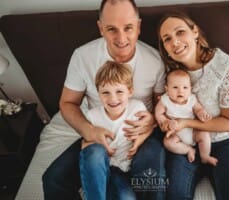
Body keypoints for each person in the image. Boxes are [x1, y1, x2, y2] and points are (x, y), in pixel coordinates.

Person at [42, 1, 166, 200]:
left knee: (149, 177)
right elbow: (67, 103)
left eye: (128, 28)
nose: (121, 38)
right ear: (101, 28)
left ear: (139, 26)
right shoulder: (83, 56)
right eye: (111, 29)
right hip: (100, 130)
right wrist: (88, 130)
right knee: (53, 179)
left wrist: (151, 121)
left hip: (141, 135)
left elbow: (163, 104)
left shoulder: (154, 60)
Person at [157, 11, 229, 200]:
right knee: (175, 195)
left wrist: (186, 122)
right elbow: (160, 106)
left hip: (226, 142)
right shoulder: (169, 72)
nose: (175, 42)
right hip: (185, 143)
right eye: (167, 39)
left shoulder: (226, 67)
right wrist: (163, 122)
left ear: (194, 32)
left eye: (180, 32)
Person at [80, 61, 148, 199]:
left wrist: (140, 139)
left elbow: (148, 128)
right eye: (105, 92)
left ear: (130, 91)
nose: (113, 98)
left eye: (119, 91)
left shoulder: (137, 109)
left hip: (124, 169)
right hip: (105, 167)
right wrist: (101, 149)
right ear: (98, 94)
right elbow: (86, 148)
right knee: (95, 153)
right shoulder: (93, 116)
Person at [155, 69, 217, 165]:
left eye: (185, 87)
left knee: (204, 134)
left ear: (190, 89)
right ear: (167, 89)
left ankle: (205, 156)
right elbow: (158, 113)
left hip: (192, 130)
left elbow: (198, 109)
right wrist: (166, 121)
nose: (180, 91)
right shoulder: (164, 100)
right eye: (175, 87)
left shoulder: (192, 99)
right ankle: (188, 149)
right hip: (175, 133)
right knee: (168, 143)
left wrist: (202, 114)